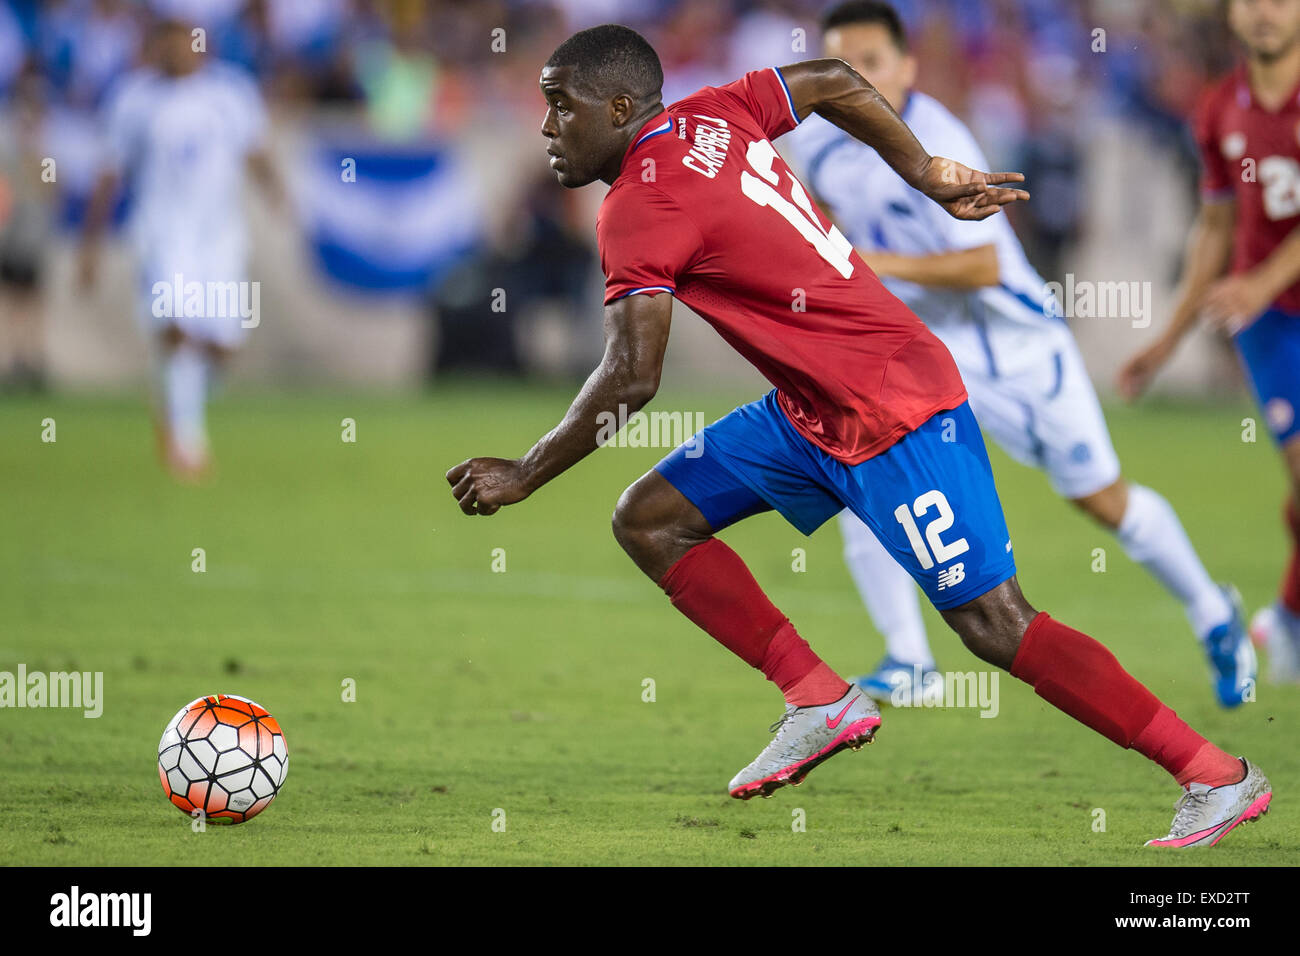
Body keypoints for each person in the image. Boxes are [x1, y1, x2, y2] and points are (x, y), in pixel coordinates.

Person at [447, 24, 1270, 847]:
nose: (548, 126)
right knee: (650, 517)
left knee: (995, 625)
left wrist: (526, 471)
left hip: (891, 410)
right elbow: (833, 79)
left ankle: (1214, 775)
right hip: (810, 411)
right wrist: (923, 174)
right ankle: (817, 697)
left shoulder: (637, 207)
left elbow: (631, 376)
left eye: (562, 107)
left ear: (621, 108)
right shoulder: (709, 113)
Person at [782, 0, 1253, 709]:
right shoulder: (821, 143)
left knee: (1102, 499)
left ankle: (1213, 611)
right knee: (858, 468)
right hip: (926, 351)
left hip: (1015, 351)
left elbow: (983, 268)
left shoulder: (939, 139)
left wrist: (867, 262)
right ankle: (910, 659)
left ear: (908, 66)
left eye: (871, 63)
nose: (857, 79)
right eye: (841, 66)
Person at [1119, 0, 1300, 687]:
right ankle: (1287, 622)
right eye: (1251, 0)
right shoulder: (1220, 111)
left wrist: (1256, 281)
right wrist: (1166, 340)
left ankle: (1285, 617)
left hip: (1263, 296)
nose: (1265, 13)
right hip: (1275, 324)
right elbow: (1216, 233)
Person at [79, 16, 282, 481]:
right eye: (166, 43)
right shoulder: (133, 99)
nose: (176, 52)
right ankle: (186, 443)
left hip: (221, 237)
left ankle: (176, 399)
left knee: (225, 344)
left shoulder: (231, 93)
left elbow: (255, 151)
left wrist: (278, 195)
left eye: (183, 42)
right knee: (176, 327)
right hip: (162, 233)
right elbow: (109, 174)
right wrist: (89, 246)